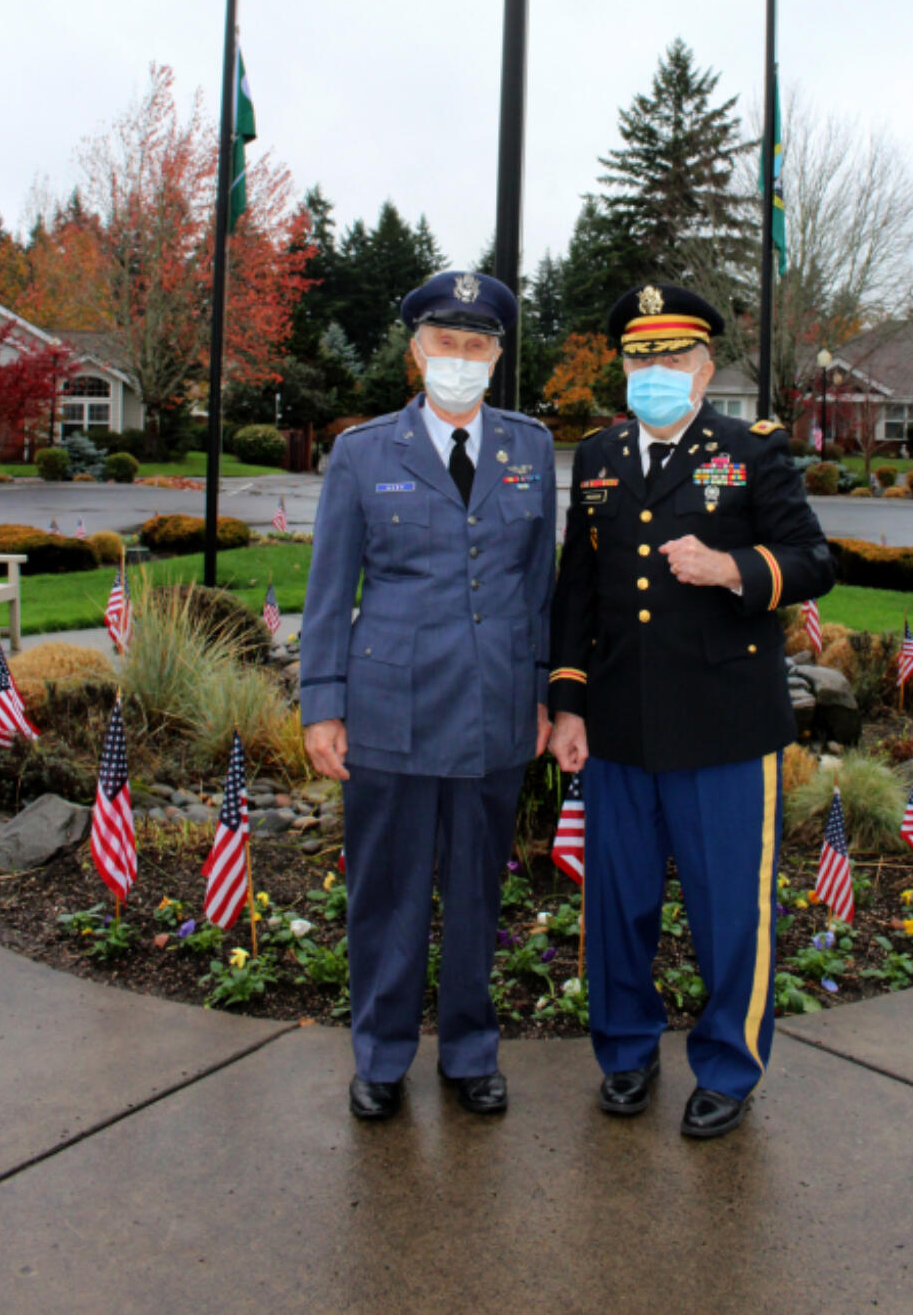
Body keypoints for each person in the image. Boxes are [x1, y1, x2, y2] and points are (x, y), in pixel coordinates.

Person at [548, 282, 834, 1139]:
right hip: (620, 724)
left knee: (728, 911)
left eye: (673, 356)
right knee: (618, 905)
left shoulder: (751, 451)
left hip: (723, 725)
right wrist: (567, 702)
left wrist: (734, 569)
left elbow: (813, 560)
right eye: (641, 357)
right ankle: (626, 1052)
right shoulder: (598, 456)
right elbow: (577, 592)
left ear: (706, 368)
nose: (655, 370)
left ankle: (727, 1065)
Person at [300, 270, 556, 1122]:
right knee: (389, 892)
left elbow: (538, 589)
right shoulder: (364, 452)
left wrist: (543, 694)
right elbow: (330, 590)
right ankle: (380, 1054)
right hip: (391, 714)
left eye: (476, 344)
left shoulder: (529, 448)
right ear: (416, 351)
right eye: (445, 342)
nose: (460, 358)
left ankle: (470, 1051)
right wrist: (321, 703)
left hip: (493, 711)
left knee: (480, 892)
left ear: (497, 356)